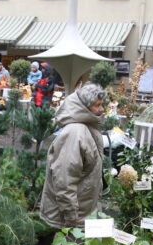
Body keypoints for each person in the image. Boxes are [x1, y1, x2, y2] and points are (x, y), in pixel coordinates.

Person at [40, 83, 107, 229]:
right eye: (97, 105)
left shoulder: (86, 126)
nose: (102, 109)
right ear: (84, 107)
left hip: (83, 209)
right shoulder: (75, 132)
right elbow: (64, 178)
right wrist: (70, 215)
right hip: (75, 216)